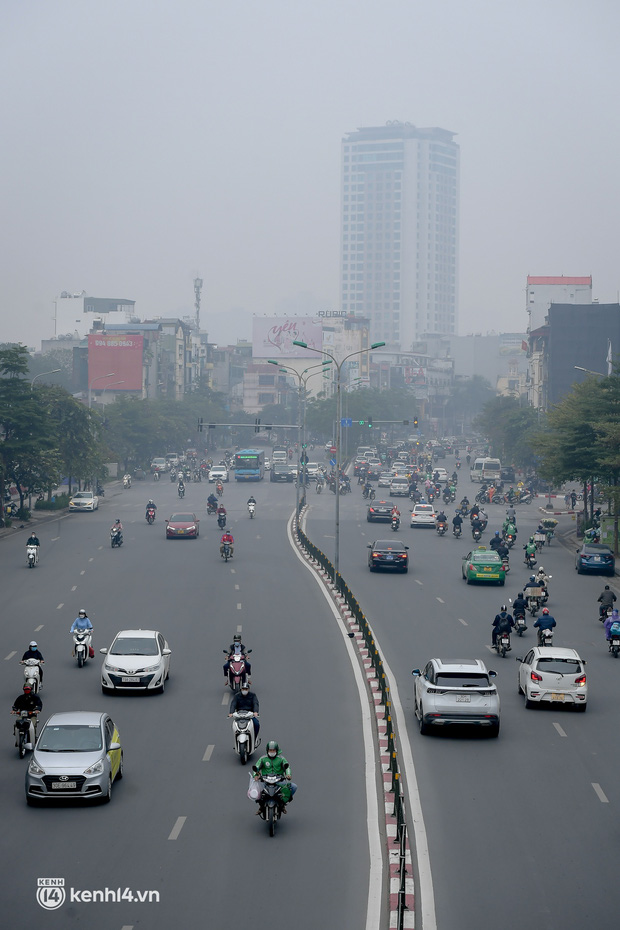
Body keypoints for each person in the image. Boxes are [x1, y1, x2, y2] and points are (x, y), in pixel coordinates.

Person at [253, 741, 296, 813]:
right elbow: (256, 767)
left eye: (273, 750)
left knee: (293, 787)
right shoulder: (263, 759)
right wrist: (256, 775)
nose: (272, 752)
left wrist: (288, 774)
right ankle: (261, 806)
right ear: (267, 750)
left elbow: (287, 767)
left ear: (277, 750)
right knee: (255, 790)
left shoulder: (281, 759)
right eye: (270, 750)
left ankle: (283, 804)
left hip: (279, 781)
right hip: (265, 780)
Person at [12, 683, 42, 748]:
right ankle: (17, 738)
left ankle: (34, 737)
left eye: (28, 689)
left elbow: (39, 705)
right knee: (17, 724)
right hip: (22, 715)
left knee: (33, 725)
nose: (26, 690)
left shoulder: (35, 697)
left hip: (32, 715)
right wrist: (14, 710)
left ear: (31, 689)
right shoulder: (20, 698)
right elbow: (15, 705)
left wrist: (37, 710)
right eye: (25, 689)